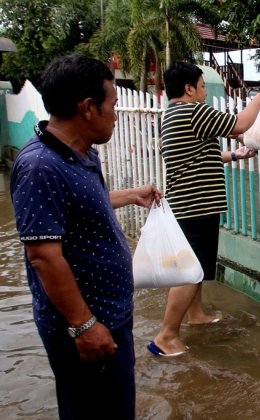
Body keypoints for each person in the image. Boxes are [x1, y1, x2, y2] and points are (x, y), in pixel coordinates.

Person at [9, 54, 162, 419]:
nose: (115, 113)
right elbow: (44, 256)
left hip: (109, 319)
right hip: (87, 330)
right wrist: (84, 325)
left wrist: (129, 195)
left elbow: (75, 210)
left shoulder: (80, 155)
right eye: (112, 104)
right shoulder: (40, 167)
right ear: (88, 108)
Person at [151, 61, 260, 356]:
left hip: (187, 202)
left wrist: (234, 155)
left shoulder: (171, 116)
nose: (205, 93)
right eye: (203, 87)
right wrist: (257, 102)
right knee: (189, 272)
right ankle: (165, 336)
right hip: (197, 204)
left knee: (196, 267)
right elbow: (238, 125)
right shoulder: (193, 111)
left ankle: (196, 315)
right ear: (189, 88)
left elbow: (199, 155)